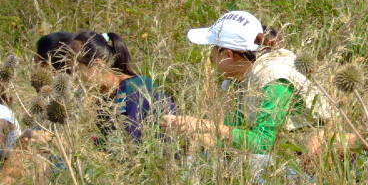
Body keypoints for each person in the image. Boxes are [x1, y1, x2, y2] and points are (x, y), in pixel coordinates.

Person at [162, 11, 334, 157]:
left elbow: (264, 143)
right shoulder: (239, 79)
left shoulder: (274, 79)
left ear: (227, 54)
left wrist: (205, 126)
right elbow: (235, 131)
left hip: (306, 154)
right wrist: (195, 131)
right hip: (284, 153)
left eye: (213, 49)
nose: (211, 56)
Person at [69, 31, 175, 144]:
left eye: (75, 70)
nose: (73, 77)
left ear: (98, 65)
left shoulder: (136, 88)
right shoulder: (105, 97)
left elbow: (130, 143)